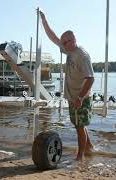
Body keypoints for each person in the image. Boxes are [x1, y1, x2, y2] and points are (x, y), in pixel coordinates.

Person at [40, 11, 95, 161]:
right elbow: (53, 37)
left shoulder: (82, 55)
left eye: (66, 42)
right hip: (73, 97)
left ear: (74, 40)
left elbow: (91, 79)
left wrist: (80, 97)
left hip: (81, 97)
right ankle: (89, 147)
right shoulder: (69, 50)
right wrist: (44, 21)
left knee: (79, 127)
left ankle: (80, 157)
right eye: (63, 43)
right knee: (79, 124)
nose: (63, 46)